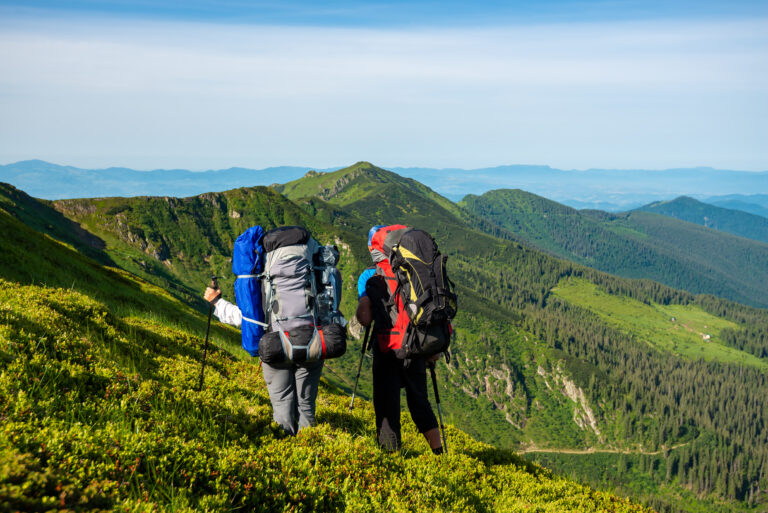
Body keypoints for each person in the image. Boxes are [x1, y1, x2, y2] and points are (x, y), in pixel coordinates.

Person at [355, 225, 444, 454]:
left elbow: (365, 319)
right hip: (415, 346)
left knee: (387, 403)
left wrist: (366, 304)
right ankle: (438, 452)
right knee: (419, 401)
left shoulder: (370, 275)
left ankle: (392, 455)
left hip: (388, 349)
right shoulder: (413, 271)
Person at [204, 286, 324, 436]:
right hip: (312, 342)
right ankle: (309, 447)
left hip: (275, 344)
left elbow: (247, 317)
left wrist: (217, 302)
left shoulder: (262, 269)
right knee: (306, 405)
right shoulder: (320, 266)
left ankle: (284, 447)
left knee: (282, 404)